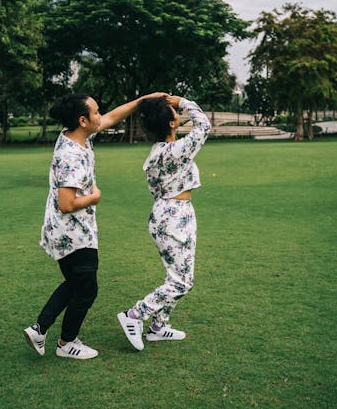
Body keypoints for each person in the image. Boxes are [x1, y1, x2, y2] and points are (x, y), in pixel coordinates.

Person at [24, 91, 166, 360]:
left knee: (76, 283)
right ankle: (66, 343)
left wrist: (142, 100)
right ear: (82, 120)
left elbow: (112, 117)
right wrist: (94, 197)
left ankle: (39, 329)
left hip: (74, 230)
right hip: (72, 233)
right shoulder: (71, 156)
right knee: (87, 290)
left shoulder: (77, 136)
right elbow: (66, 203)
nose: (101, 116)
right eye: (95, 112)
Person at [117, 94, 211, 351]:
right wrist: (182, 101)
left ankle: (159, 327)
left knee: (178, 276)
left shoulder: (159, 151)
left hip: (172, 213)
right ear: (171, 123)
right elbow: (204, 126)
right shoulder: (176, 150)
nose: (177, 113)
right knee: (182, 282)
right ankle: (135, 314)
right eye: (173, 112)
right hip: (173, 216)